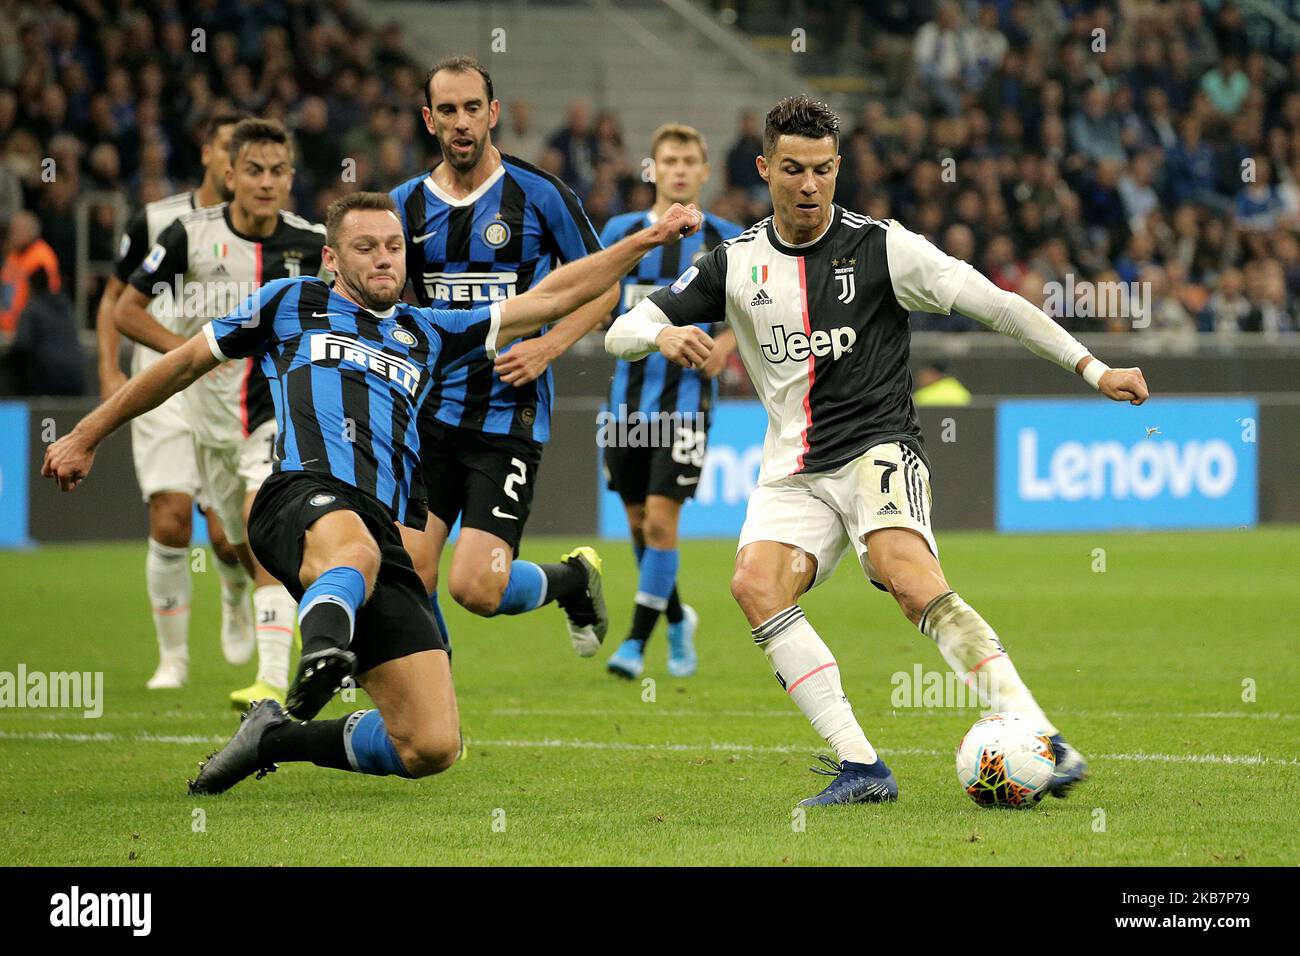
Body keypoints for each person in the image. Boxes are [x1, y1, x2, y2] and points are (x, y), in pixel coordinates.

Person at [42, 191, 702, 795]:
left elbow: (554, 297)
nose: (384, 258)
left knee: (432, 744)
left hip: (377, 533)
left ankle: (277, 736)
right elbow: (185, 362)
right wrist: (86, 434)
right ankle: (327, 653)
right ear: (331, 257)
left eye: (393, 246)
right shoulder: (289, 300)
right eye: (365, 247)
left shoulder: (428, 331)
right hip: (298, 496)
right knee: (351, 550)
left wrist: (646, 241)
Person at [606, 96, 1149, 806]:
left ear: (839, 169)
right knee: (754, 586)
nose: (809, 186)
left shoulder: (884, 247)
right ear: (765, 168)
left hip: (877, 450)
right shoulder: (733, 263)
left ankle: (1044, 738)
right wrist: (663, 335)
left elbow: (1002, 306)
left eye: (824, 170)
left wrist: (1094, 368)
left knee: (908, 577)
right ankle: (863, 768)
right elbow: (622, 328)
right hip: (794, 470)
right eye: (793, 170)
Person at [389, 56, 618, 658]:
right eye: (447, 111)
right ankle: (432, 707)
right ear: (429, 119)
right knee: (410, 574)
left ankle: (572, 580)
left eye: (472, 108)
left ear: (492, 113)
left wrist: (549, 344)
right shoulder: (403, 206)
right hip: (429, 417)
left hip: (506, 419)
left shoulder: (540, 194)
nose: (461, 122)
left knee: (477, 587)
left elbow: (607, 285)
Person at [113, 118, 327, 710]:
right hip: (206, 417)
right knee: (232, 543)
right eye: (253, 171)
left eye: (278, 172)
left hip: (274, 414)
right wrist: (189, 357)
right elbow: (127, 311)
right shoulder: (188, 236)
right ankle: (233, 587)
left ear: (290, 178)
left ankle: (270, 677)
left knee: (265, 528)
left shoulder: (312, 245)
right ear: (229, 174)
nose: (266, 183)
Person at [97, 111, 255, 690]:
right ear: (210, 153)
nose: (237, 164)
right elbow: (116, 299)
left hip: (228, 390)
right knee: (169, 519)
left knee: (224, 534)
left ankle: (237, 593)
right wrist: (110, 369)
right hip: (163, 385)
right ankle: (173, 659)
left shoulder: (261, 231)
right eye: (225, 148)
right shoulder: (159, 220)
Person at [599, 123, 743, 680]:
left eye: (690, 160)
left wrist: (725, 345)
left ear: (705, 172)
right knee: (638, 524)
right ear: (652, 169)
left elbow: (753, 313)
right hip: (625, 407)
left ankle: (635, 645)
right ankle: (679, 616)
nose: (679, 169)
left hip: (686, 406)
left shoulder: (727, 239)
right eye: (669, 160)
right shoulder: (623, 230)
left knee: (661, 523)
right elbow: (600, 300)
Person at [0, 210, 60, 339]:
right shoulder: (13, 256)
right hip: (7, 329)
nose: (12, 235)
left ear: (32, 232)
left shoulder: (41, 257)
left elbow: (45, 299)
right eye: (12, 230)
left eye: (18, 230)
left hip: (29, 332)